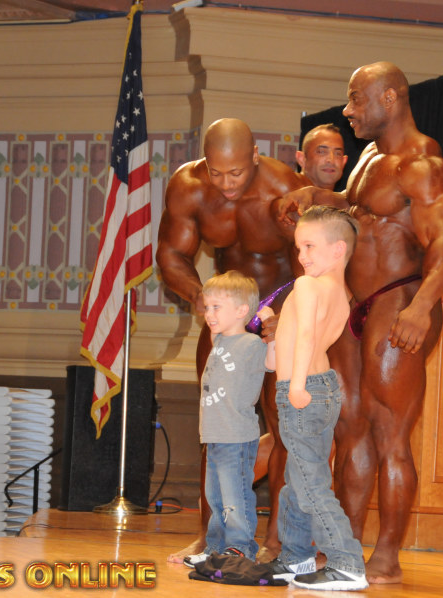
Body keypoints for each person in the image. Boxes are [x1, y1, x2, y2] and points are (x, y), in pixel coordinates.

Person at [278, 61, 443, 584]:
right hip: (356, 304)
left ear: (389, 98)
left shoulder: (423, 164)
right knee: (350, 426)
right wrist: (316, 197)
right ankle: (345, 546)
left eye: (356, 98)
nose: (348, 110)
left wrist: (421, 307)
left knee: (389, 433)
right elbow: (356, 209)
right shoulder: (368, 157)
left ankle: (387, 554)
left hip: (397, 300)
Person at [156, 118, 311, 562]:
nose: (226, 184)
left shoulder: (284, 187)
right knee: (215, 426)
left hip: (278, 312)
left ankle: (277, 540)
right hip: (225, 319)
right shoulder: (188, 186)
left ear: (256, 157)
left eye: (236, 173)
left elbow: (309, 260)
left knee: (283, 430)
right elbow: (171, 253)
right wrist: (201, 298)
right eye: (217, 172)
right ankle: (210, 539)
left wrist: (288, 316)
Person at [263, 205, 367, 591]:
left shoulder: (307, 286)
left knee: (309, 483)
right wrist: (273, 337)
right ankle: (295, 557)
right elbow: (291, 343)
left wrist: (295, 386)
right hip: (322, 389)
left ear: (338, 249)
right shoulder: (340, 293)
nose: (302, 255)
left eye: (309, 246)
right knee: (298, 477)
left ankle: (346, 562)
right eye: (298, 247)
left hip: (304, 390)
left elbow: (307, 336)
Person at [185, 271, 267, 568]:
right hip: (214, 435)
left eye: (217, 307)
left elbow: (273, 363)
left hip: (236, 435)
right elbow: (214, 328)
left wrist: (269, 324)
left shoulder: (252, 344)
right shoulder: (219, 340)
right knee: (215, 498)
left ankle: (240, 547)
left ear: (242, 310)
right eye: (207, 307)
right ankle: (215, 548)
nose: (209, 314)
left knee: (235, 497)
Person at [296, 124, 348, 191]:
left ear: (343, 162)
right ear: (302, 159)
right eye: (321, 152)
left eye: (338, 154)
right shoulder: (286, 191)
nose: (331, 160)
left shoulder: (348, 197)